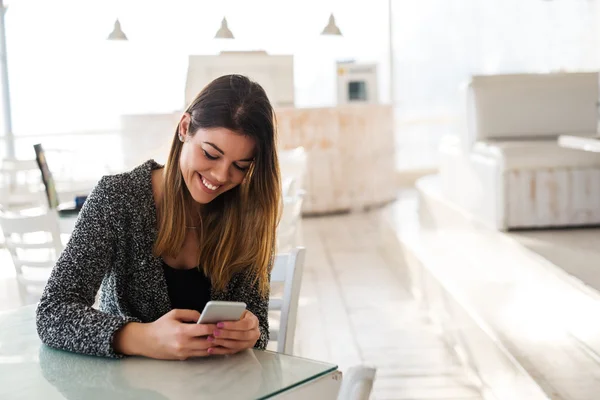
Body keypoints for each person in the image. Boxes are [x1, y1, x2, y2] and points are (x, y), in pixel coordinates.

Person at [36, 74, 281, 360]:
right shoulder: (117, 198)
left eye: (240, 166)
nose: (221, 176)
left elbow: (259, 332)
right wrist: (142, 338)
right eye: (211, 154)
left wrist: (250, 332)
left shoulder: (247, 214)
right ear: (185, 128)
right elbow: (53, 311)